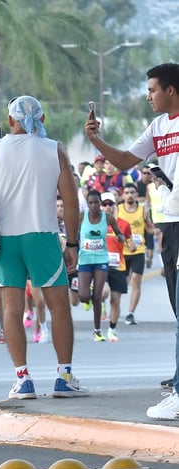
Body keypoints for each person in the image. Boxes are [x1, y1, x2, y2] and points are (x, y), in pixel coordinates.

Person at [0, 95, 86, 400]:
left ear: (10, 121)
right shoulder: (53, 149)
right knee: (58, 306)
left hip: (5, 240)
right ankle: (64, 376)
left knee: (11, 309)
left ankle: (23, 379)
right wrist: (72, 242)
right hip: (42, 236)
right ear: (42, 120)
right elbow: (71, 201)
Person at [85, 63, 179, 418]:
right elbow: (124, 160)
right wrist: (95, 139)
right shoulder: (158, 126)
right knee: (177, 307)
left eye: (153, 89)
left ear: (171, 89)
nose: (148, 96)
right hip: (169, 223)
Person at [77, 190, 127, 341]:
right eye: (90, 202)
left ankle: (97, 331)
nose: (93, 205)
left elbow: (120, 234)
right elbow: (71, 231)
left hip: (101, 259)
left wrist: (120, 237)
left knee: (97, 297)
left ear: (100, 203)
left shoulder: (108, 218)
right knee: (84, 296)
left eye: (96, 202)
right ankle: (88, 295)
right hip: (85, 259)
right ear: (87, 203)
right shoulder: (82, 216)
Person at [100, 191, 134, 342]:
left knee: (116, 300)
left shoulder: (124, 225)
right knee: (104, 292)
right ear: (100, 207)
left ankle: (112, 330)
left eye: (110, 204)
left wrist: (131, 246)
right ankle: (100, 302)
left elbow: (129, 242)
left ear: (115, 206)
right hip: (101, 264)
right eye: (104, 204)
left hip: (118, 266)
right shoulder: (95, 224)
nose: (107, 207)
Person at [117, 183, 150, 325]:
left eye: (132, 192)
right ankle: (114, 308)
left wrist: (155, 231)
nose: (130, 195)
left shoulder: (143, 210)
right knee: (121, 283)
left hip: (138, 250)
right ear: (123, 195)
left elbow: (149, 228)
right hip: (122, 251)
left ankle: (130, 313)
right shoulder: (118, 210)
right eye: (127, 192)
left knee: (136, 279)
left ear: (137, 196)